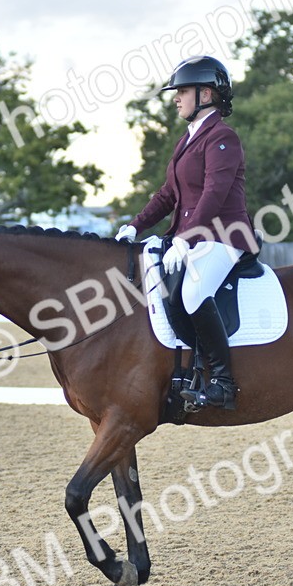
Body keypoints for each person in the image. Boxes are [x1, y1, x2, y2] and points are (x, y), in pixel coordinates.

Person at [115, 55, 257, 411]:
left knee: (193, 292)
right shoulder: (187, 140)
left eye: (182, 92)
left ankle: (223, 382)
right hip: (192, 238)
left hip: (224, 236)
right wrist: (135, 225)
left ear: (205, 94)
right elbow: (168, 194)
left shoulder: (223, 137)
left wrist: (184, 238)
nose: (176, 98)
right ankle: (188, 370)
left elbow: (214, 193)